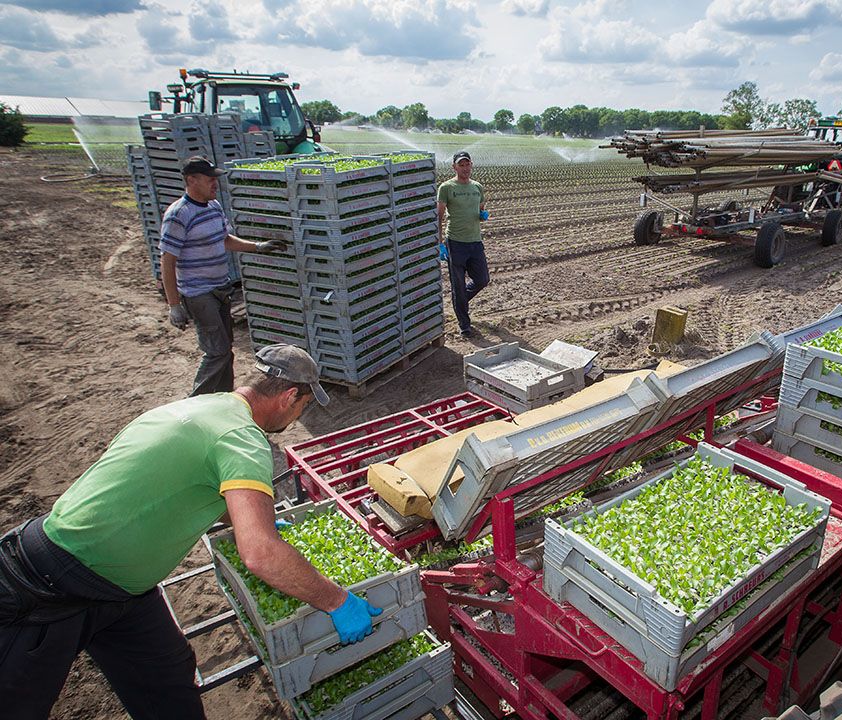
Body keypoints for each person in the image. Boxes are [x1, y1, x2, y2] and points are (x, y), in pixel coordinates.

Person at [0, 345, 382, 719]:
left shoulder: (205, 405)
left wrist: (248, 519)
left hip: (124, 591)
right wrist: (336, 600)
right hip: (51, 581)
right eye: (303, 406)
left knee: (168, 680)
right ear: (287, 397)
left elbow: (179, 483)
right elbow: (260, 553)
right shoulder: (242, 439)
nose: (299, 416)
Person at [161, 156, 285, 396]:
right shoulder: (179, 214)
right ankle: (195, 402)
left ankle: (223, 398)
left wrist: (258, 246)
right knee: (217, 351)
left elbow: (225, 240)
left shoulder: (213, 207)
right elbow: (168, 261)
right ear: (191, 180)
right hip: (198, 293)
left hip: (220, 288)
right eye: (210, 179)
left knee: (225, 349)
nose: (215, 184)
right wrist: (174, 305)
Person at [437, 151, 488, 338]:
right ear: (454, 167)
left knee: (483, 279)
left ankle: (460, 302)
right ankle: (464, 324)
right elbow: (439, 216)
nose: (465, 168)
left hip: (475, 241)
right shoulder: (446, 187)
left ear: (471, 165)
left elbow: (481, 210)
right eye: (461, 165)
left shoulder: (477, 187)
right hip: (455, 242)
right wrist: (440, 244)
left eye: (468, 164)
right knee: (457, 284)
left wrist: (482, 216)